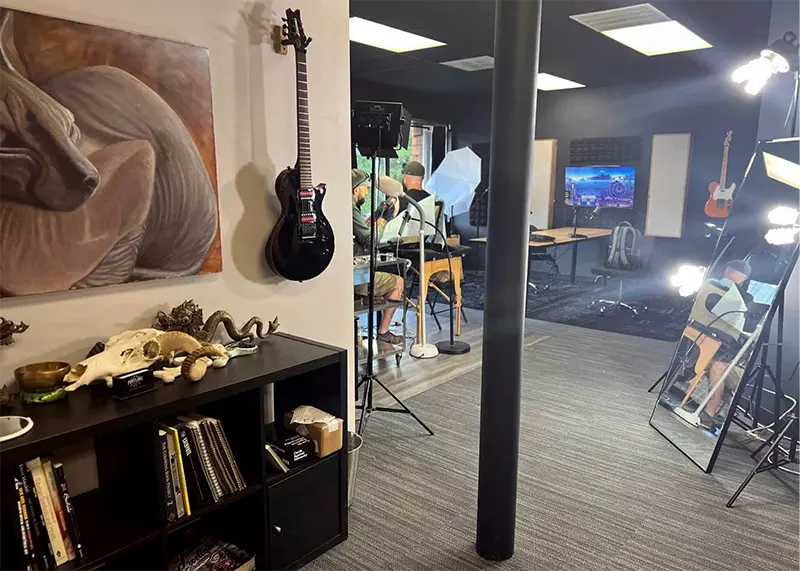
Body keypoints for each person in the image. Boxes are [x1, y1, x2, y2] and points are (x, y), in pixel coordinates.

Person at [352, 168, 405, 346]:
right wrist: (384, 219)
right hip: (356, 277)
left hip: (357, 272)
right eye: (366, 188)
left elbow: (362, 231)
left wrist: (377, 215)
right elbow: (370, 241)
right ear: (356, 189)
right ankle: (383, 332)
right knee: (398, 282)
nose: (367, 191)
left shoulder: (348, 209)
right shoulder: (350, 209)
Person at [701, 259, 754, 428]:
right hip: (709, 334)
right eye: (731, 272)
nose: (730, 276)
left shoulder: (744, 298)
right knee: (715, 365)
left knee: (717, 368)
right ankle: (711, 411)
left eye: (733, 273)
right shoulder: (713, 285)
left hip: (726, 344)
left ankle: (709, 413)